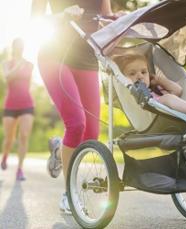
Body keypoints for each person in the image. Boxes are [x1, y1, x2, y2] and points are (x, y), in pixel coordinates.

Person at [31, 0, 120, 214]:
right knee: (76, 123)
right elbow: (36, 20)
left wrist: (118, 19)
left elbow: (106, 17)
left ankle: (59, 147)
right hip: (55, 55)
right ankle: (69, 195)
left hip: (87, 58)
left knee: (91, 134)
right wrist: (63, 16)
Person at [113, 53, 186, 126]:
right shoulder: (133, 94)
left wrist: (159, 80)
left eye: (143, 72)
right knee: (168, 98)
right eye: (132, 73)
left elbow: (178, 90)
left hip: (170, 112)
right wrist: (128, 83)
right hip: (154, 117)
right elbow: (168, 98)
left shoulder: (156, 90)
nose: (140, 76)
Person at [1, 38, 34, 181]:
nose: (20, 48)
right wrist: (18, 65)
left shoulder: (30, 64)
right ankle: (5, 157)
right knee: (9, 138)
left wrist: (22, 64)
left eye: (22, 45)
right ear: (13, 47)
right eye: (17, 45)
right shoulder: (6, 63)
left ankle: (20, 169)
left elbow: (28, 82)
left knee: (24, 136)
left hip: (27, 103)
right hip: (10, 105)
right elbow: (7, 77)